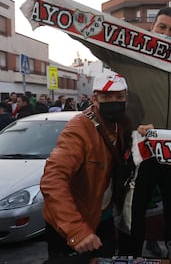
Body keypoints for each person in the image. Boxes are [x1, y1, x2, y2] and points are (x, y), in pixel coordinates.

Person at [114, 7, 171, 257]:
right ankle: (131, 257)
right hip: (142, 153)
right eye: (162, 27)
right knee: (133, 208)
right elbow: (93, 37)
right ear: (152, 28)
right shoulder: (131, 59)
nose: (167, 33)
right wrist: (46, 5)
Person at [40, 71, 132, 263]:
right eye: (107, 97)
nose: (114, 102)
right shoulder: (78, 129)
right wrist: (76, 230)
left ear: (126, 98)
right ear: (95, 99)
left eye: (119, 97)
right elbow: (53, 179)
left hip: (103, 218)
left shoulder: (122, 124)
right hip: (72, 224)